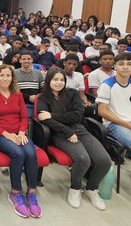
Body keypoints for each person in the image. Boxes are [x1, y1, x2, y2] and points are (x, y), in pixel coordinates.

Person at [37, 67, 111, 210]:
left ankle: (91, 189)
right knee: (83, 158)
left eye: (61, 80)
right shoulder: (43, 97)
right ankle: (75, 188)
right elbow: (44, 120)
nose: (59, 83)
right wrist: (67, 132)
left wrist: (53, 115)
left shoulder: (72, 94)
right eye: (55, 79)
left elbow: (77, 115)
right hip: (59, 133)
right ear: (48, 81)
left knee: (104, 160)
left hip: (80, 129)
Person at [0, 64, 41, 218]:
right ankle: (15, 193)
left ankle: (31, 192)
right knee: (18, 153)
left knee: (30, 153)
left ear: (12, 78)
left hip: (19, 132)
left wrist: (22, 132)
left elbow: (24, 117)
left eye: (8, 75)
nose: (5, 78)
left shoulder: (18, 95)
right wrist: (6, 134)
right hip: (0, 135)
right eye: (2, 75)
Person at [97, 52, 131, 148]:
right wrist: (127, 124)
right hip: (115, 124)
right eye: (121, 64)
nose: (125, 67)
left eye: (129, 64)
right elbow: (101, 111)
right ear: (115, 67)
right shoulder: (107, 85)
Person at [14, 51, 45, 117]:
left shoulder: (38, 73)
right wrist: (28, 97)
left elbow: (44, 89)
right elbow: (13, 91)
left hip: (37, 103)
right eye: (24, 59)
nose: (26, 61)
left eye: (28, 59)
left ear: (32, 60)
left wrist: (37, 97)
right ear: (20, 60)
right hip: (21, 103)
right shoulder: (14, 73)